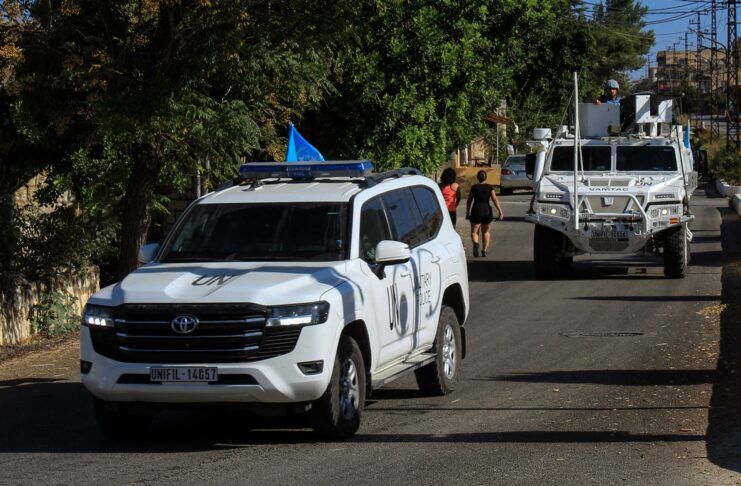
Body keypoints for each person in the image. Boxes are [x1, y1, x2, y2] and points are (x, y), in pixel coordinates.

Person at [465, 170, 504, 257]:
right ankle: (484, 250)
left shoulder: (474, 187)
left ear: (477, 178)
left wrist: (467, 212)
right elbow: (494, 199)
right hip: (486, 211)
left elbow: (469, 200)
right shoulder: (490, 187)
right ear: (486, 177)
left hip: (476, 210)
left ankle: (476, 244)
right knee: (486, 231)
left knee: (474, 232)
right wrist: (500, 211)